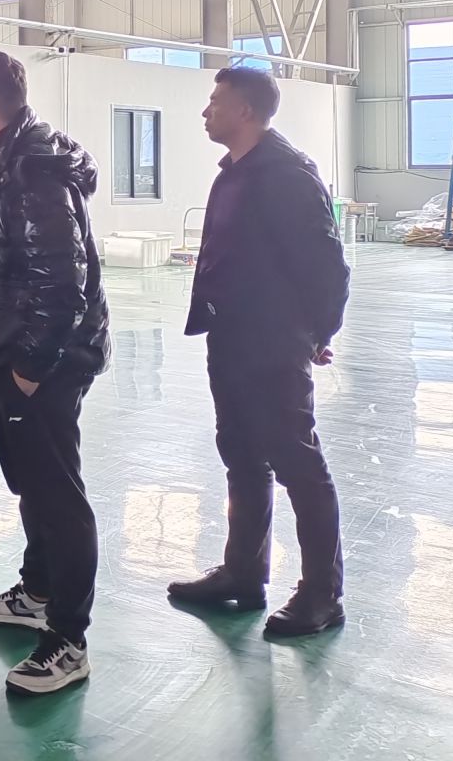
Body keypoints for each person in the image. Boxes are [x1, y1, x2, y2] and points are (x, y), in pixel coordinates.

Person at [0, 50, 109, 697]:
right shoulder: (3, 161)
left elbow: (63, 282)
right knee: (33, 486)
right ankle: (37, 592)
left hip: (41, 361)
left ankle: (68, 639)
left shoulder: (33, 171)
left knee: (57, 495)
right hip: (13, 354)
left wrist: (31, 367)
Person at [167, 66, 350, 637]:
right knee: (242, 457)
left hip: (272, 345)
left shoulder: (287, 176)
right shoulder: (235, 172)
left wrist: (318, 333)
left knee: (298, 464)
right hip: (231, 339)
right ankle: (243, 574)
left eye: (215, 102)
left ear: (245, 111)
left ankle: (322, 595)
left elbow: (328, 265)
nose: (206, 112)